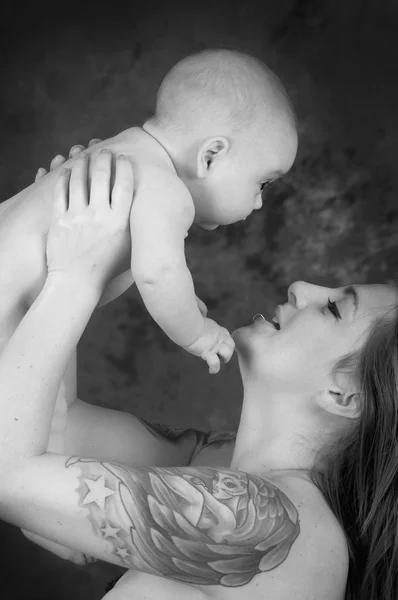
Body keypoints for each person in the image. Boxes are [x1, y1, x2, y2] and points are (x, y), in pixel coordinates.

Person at [0, 154, 397, 600]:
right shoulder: (215, 462)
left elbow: (9, 473)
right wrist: (50, 245)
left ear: (344, 395)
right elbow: (52, 426)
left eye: (334, 308)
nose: (302, 287)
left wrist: (73, 279)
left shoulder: (281, 525)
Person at [0, 47, 296, 560]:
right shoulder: (167, 191)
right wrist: (198, 334)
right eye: (261, 183)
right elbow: (158, 274)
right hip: (12, 313)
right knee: (42, 427)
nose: (258, 202)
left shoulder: (119, 153)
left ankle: (48, 520)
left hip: (15, 297)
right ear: (211, 156)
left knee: (48, 411)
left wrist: (187, 302)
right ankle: (50, 523)